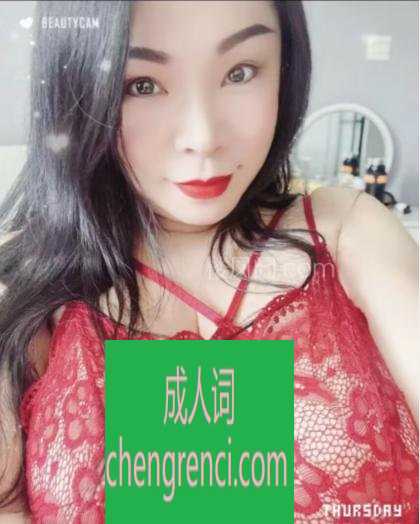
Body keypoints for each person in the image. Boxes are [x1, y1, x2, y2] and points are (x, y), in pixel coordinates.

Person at [0, 1, 418, 522]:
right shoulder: (25, 286)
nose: (203, 138)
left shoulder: (348, 232)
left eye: (240, 72)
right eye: (142, 85)